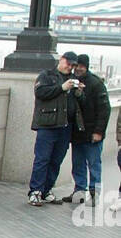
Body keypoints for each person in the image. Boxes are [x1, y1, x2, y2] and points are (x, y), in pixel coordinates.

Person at [27, 50, 84, 206]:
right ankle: (35, 192)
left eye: (73, 65)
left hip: (65, 127)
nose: (70, 67)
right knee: (42, 159)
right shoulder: (46, 75)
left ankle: (46, 190)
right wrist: (62, 87)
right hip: (47, 125)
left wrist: (79, 93)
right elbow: (40, 92)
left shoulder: (73, 79)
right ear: (61, 60)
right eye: (68, 63)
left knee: (56, 161)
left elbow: (77, 103)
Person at [63, 54, 110, 203]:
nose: (78, 69)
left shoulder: (96, 84)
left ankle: (94, 195)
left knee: (94, 165)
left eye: (81, 66)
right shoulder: (71, 82)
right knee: (78, 165)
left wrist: (98, 132)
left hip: (92, 133)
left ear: (86, 66)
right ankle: (79, 192)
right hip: (77, 133)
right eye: (76, 66)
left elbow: (104, 110)